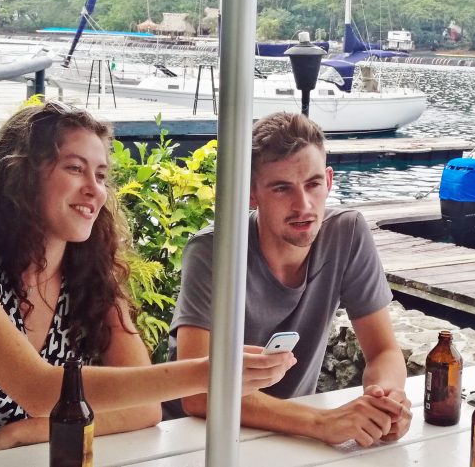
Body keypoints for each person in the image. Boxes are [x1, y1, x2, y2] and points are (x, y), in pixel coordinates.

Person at [0, 101, 295, 466]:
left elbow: (145, 409)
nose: (94, 189)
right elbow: (37, 388)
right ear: (21, 175)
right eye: (74, 168)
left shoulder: (90, 275)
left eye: (101, 174)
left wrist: (25, 433)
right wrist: (213, 371)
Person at [167, 111, 412, 447]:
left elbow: (384, 350)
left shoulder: (348, 232)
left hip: (292, 438)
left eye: (313, 184)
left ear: (329, 180)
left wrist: (386, 400)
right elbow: (197, 394)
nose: (303, 205)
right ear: (253, 194)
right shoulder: (214, 250)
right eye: (282, 188)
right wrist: (322, 421)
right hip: (194, 438)